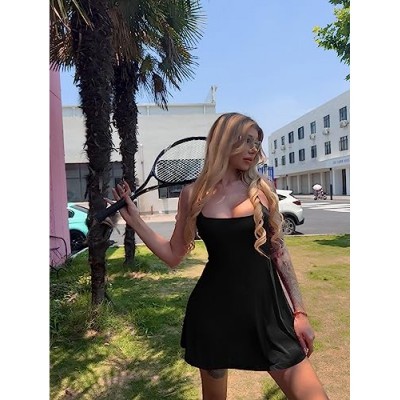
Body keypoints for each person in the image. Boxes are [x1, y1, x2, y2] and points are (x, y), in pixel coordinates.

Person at [110, 112, 329, 400]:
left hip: (268, 313)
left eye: (256, 142)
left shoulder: (262, 188)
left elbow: (280, 254)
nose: (253, 149)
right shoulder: (193, 195)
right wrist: (136, 221)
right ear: (224, 141)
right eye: (246, 140)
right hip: (214, 314)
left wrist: (299, 313)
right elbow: (174, 254)